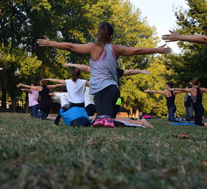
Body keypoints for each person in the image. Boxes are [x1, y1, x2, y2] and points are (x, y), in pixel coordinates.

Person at [37, 22, 171, 127]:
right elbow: (137, 50)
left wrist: (51, 43)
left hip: (106, 91)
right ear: (111, 36)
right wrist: (157, 50)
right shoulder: (116, 49)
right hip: (108, 91)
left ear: (99, 35)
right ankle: (137, 122)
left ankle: (140, 123)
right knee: (103, 121)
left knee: (105, 121)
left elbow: (70, 46)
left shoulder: (93, 47)